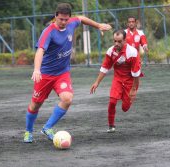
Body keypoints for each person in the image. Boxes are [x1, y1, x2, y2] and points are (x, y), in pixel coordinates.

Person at [23, 2, 112, 143]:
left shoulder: (71, 23)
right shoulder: (48, 31)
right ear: (55, 16)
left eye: (66, 19)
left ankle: (47, 127)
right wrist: (36, 69)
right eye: (61, 19)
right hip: (45, 74)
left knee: (67, 99)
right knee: (35, 105)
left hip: (62, 74)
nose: (63, 22)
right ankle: (28, 132)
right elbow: (40, 50)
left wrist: (98, 25)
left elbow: (82, 18)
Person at [90, 29, 142, 133]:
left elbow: (136, 74)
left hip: (130, 82)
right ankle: (111, 125)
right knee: (112, 101)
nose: (116, 44)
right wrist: (96, 82)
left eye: (119, 41)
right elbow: (104, 68)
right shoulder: (110, 51)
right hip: (117, 79)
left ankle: (128, 100)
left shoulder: (132, 52)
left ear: (125, 40)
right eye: (114, 41)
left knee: (125, 108)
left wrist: (134, 89)